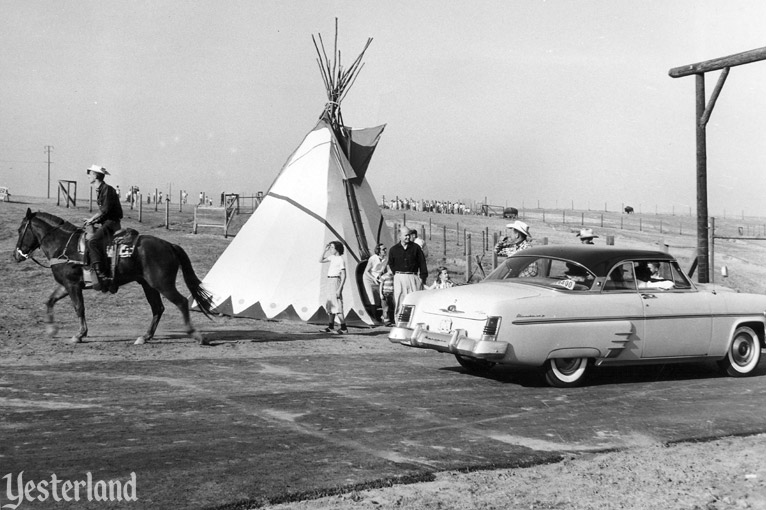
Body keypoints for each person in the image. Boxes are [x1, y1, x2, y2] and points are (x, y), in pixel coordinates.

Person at [84, 165, 123, 291]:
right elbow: (105, 212)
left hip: (111, 224)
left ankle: (100, 273)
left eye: (89, 173)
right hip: (107, 222)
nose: (88, 175)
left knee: (93, 242)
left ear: (95, 176)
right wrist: (93, 221)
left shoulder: (107, 189)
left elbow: (105, 210)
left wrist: (92, 219)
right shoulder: (102, 189)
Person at [387, 226, 428, 318]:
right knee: (400, 301)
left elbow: (422, 263)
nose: (408, 237)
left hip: (413, 277)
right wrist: (397, 275)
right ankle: (399, 322)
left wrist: (422, 278)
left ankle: (414, 321)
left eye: (409, 235)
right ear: (399, 236)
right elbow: (391, 263)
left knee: (414, 300)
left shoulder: (416, 248)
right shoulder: (393, 250)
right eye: (405, 235)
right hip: (399, 277)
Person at [319, 241, 349, 334]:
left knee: (337, 304)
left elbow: (344, 275)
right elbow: (320, 260)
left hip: (336, 281)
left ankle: (344, 328)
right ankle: (330, 326)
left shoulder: (340, 260)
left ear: (337, 249)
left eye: (332, 247)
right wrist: (325, 250)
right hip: (330, 280)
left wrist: (339, 289)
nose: (330, 249)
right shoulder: (332, 258)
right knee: (330, 304)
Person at [362, 243, 389, 321]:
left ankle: (383, 315)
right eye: (383, 249)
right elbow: (366, 271)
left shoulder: (386, 258)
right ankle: (373, 318)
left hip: (377, 278)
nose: (385, 250)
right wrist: (373, 278)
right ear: (378, 251)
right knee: (371, 297)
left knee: (381, 295)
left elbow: (383, 270)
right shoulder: (372, 258)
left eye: (385, 249)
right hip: (368, 278)